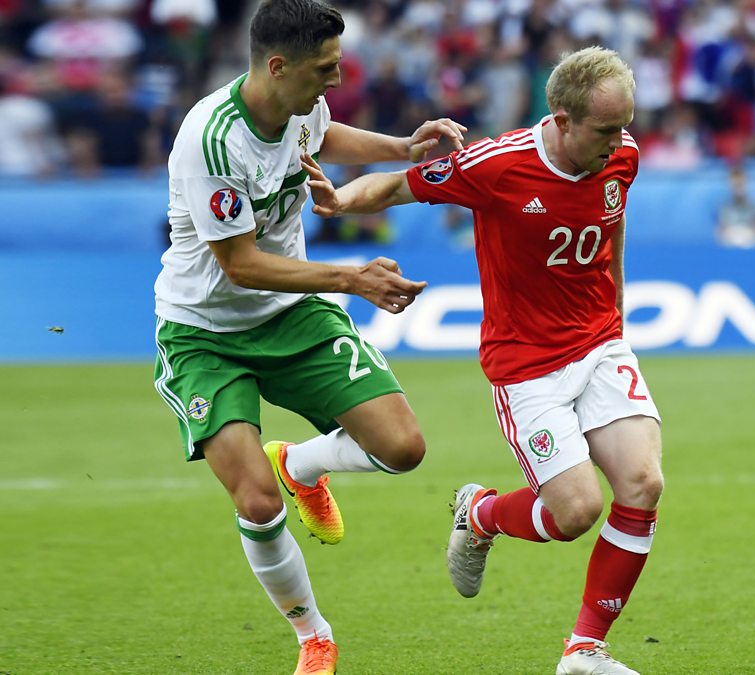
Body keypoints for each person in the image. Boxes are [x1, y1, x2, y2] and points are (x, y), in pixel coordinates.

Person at [302, 46, 664, 675]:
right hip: (528, 366)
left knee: (643, 484)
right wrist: (340, 202)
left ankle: (584, 651)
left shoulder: (621, 154)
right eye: (606, 129)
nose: (620, 142)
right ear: (562, 120)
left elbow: (613, 228)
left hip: (601, 343)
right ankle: (480, 515)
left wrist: (619, 317)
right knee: (576, 512)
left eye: (625, 126)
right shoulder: (496, 165)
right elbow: (399, 186)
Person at [150, 2, 465, 673]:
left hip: (291, 313)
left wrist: (403, 147)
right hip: (205, 332)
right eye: (325, 67)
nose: (337, 77)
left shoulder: (299, 105)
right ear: (277, 65)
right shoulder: (212, 140)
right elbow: (240, 265)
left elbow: (325, 135)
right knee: (258, 502)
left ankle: (301, 463)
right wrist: (351, 278)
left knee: (402, 447)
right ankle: (313, 635)